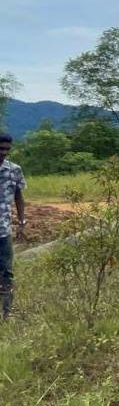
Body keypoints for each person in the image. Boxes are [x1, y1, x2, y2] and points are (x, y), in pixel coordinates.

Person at [0, 133, 26, 320]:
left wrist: (21, 221)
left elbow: (18, 197)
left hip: (4, 230)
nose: (4, 153)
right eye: (1, 148)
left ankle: (7, 312)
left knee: (7, 271)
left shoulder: (14, 170)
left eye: (7, 149)